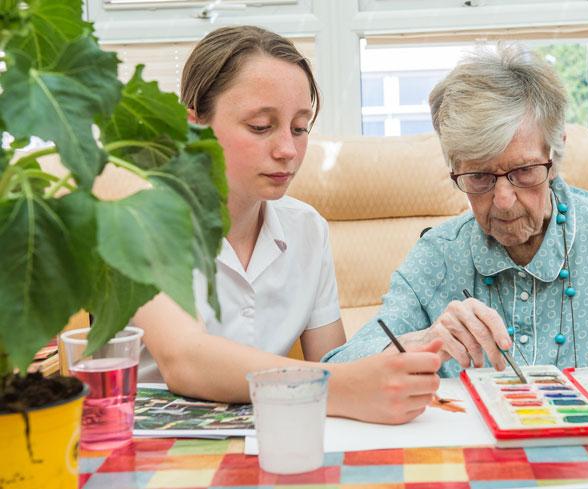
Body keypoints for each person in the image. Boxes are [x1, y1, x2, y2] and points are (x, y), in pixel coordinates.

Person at [323, 44, 588, 378]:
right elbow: (341, 371)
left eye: (523, 171)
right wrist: (423, 339)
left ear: (555, 156)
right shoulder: (437, 256)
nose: (503, 200)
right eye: (479, 176)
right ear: (454, 169)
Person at [133, 26, 443, 424]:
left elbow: (333, 361)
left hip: (274, 434)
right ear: (194, 126)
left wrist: (411, 348)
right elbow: (185, 359)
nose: (288, 151)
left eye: (300, 128)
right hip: (159, 449)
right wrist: (345, 385)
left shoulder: (306, 229)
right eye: (261, 127)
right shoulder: (142, 222)